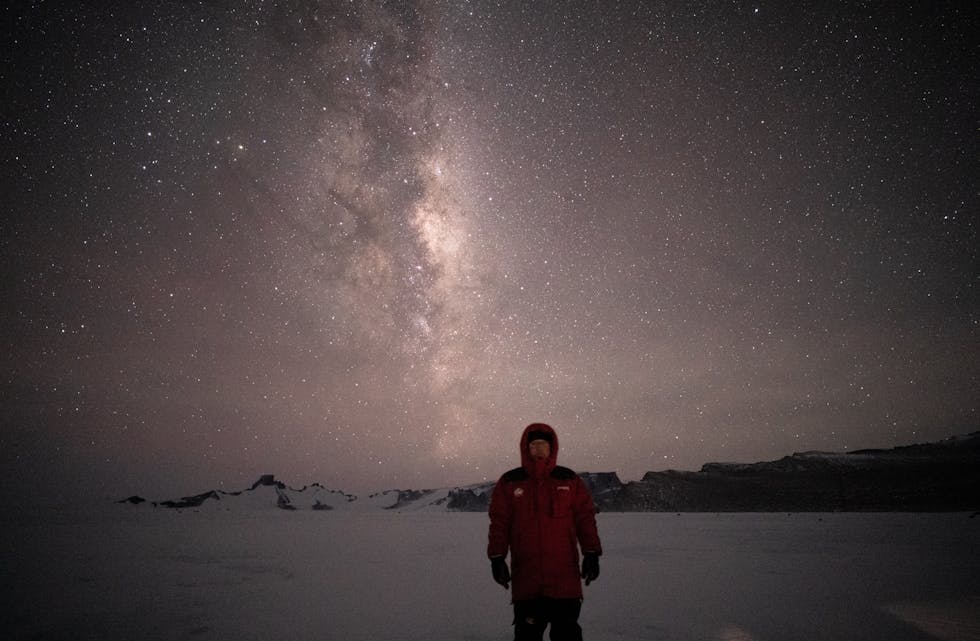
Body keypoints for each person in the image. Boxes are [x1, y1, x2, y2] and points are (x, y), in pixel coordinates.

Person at [487, 422, 602, 641]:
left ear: (552, 448)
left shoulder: (569, 479)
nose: (538, 450)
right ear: (526, 449)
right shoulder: (510, 482)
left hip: (564, 581)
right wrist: (497, 558)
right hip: (527, 581)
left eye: (543, 446)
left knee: (567, 635)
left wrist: (591, 553)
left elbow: (585, 518)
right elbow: (499, 522)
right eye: (534, 446)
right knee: (527, 635)